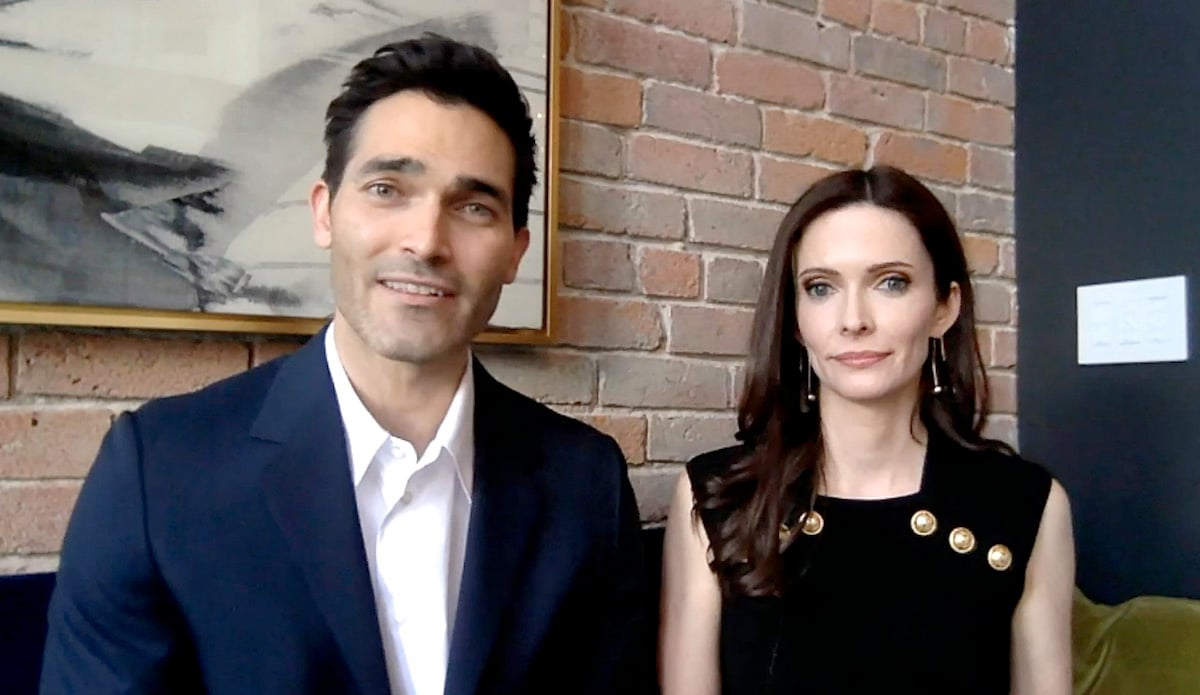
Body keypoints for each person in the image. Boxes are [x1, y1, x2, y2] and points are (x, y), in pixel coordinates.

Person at [41, 35, 647, 695]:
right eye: (388, 188)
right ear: (325, 212)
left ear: (514, 250)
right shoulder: (156, 473)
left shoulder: (587, 484)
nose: (426, 241)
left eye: (473, 206)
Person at [659, 166, 1075, 694]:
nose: (853, 319)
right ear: (795, 318)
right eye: (820, 288)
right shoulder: (717, 498)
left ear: (945, 306)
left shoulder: (1026, 505)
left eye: (891, 282)